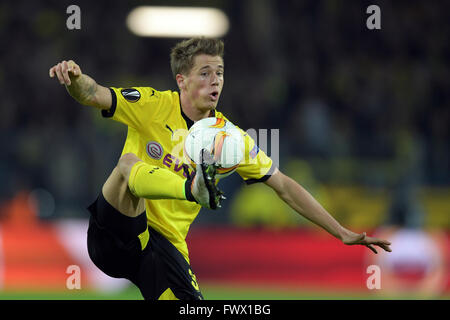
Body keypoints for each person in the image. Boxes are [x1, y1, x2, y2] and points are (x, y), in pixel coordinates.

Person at [49, 37, 392, 300]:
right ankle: (193, 189)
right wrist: (74, 78)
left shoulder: (232, 140)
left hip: (163, 248)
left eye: (220, 73)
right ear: (182, 80)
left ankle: (193, 191)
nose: (215, 81)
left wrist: (341, 231)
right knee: (127, 165)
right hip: (116, 231)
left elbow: (285, 186)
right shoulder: (152, 104)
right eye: (205, 73)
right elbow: (93, 93)